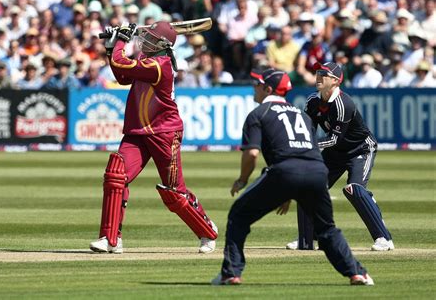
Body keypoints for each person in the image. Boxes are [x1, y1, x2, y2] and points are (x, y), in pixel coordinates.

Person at [211, 68, 374, 286]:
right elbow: (309, 148)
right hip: (317, 171)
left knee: (238, 216)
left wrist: (242, 179)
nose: (254, 87)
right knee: (326, 229)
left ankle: (230, 273)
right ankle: (357, 273)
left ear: (268, 89)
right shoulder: (301, 114)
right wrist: (287, 192)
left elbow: (251, 153)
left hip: (285, 172)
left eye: (257, 84)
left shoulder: (258, 114)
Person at [89, 21, 218, 254]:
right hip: (138, 131)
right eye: (144, 37)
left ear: (162, 45)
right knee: (116, 175)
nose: (144, 41)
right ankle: (110, 239)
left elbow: (121, 62)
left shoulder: (160, 65)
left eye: (150, 39)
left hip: (164, 132)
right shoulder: (146, 62)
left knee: (174, 192)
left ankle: (207, 231)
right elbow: (121, 75)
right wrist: (112, 48)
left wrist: (120, 40)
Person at [287, 62, 394, 252]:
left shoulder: (343, 103)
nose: (318, 76)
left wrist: (310, 147)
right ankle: (308, 239)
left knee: (354, 190)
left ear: (335, 81)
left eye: (324, 74)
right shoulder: (312, 100)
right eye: (318, 72)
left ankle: (384, 238)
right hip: (334, 154)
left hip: (360, 150)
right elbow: (308, 130)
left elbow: (334, 139)